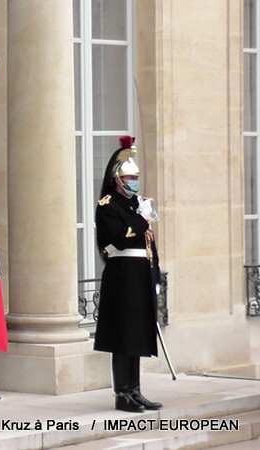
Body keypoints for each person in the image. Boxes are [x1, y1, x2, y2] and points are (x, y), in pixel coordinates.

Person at [94, 136, 163, 413]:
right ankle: (122, 393)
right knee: (122, 335)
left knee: (136, 334)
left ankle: (135, 389)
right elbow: (120, 239)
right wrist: (141, 218)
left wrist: (155, 274)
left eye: (136, 176)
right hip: (121, 274)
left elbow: (148, 243)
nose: (134, 181)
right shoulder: (108, 206)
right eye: (129, 177)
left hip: (139, 274)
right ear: (118, 180)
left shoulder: (136, 205)